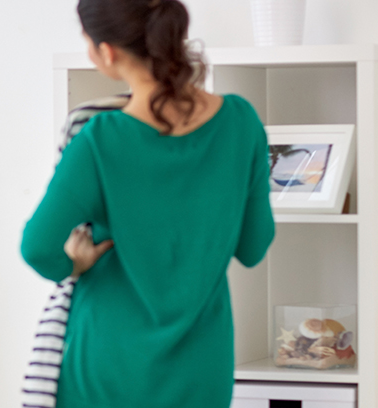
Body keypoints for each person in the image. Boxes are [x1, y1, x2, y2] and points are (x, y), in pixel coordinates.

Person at [20, 0, 275, 406]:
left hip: (105, 366)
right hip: (202, 369)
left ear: (107, 52)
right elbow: (253, 246)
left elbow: (37, 248)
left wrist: (74, 264)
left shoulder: (100, 137)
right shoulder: (241, 122)